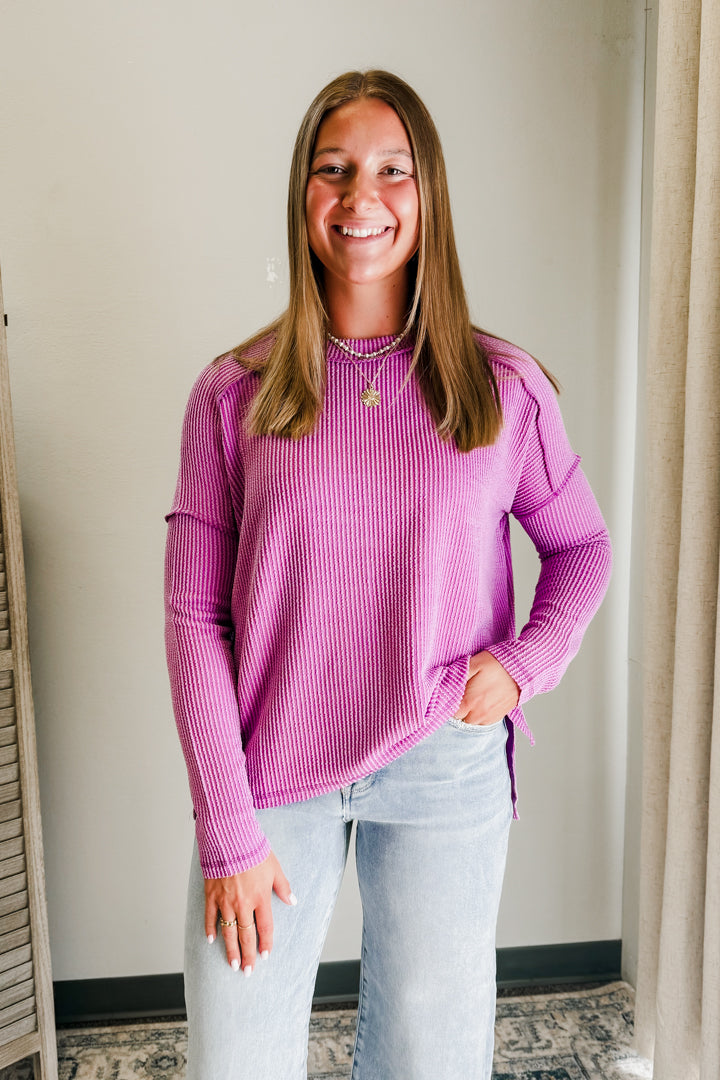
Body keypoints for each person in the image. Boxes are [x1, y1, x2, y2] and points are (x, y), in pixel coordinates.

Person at [165, 69, 612, 1080]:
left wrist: (523, 664)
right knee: (234, 1057)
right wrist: (226, 828)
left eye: (389, 171)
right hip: (271, 764)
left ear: (428, 195)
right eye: (333, 171)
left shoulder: (501, 387)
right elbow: (194, 614)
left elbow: (582, 547)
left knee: (429, 1060)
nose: (360, 197)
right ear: (303, 197)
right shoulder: (234, 396)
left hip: (443, 764)